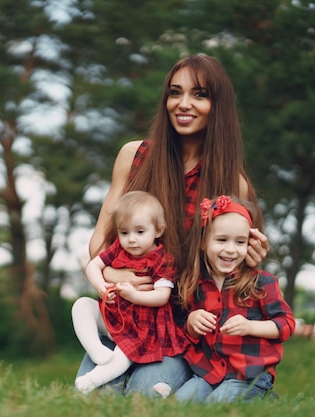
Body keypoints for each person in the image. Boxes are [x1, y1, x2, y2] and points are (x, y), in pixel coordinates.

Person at [76, 54, 271, 397]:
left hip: (178, 327)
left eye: (199, 94)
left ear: (218, 104)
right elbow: (100, 242)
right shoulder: (134, 157)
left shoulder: (231, 182)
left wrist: (250, 260)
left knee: (144, 396)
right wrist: (114, 276)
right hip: (125, 316)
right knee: (98, 397)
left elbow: (231, 272)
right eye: (174, 92)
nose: (183, 104)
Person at [174, 195, 295, 403]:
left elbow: (287, 325)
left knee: (215, 407)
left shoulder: (262, 283)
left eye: (240, 242)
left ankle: (261, 396)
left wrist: (250, 327)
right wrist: (192, 323)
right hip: (208, 372)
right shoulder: (195, 284)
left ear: (250, 244)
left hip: (248, 374)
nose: (230, 249)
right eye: (221, 240)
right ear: (203, 242)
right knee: (178, 405)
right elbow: (184, 331)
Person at [72, 191, 186, 394]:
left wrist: (134, 295)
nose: (131, 239)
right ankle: (96, 350)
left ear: (158, 231)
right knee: (82, 305)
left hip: (140, 327)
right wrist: (100, 285)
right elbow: (93, 266)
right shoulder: (118, 248)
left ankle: (91, 380)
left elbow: (162, 296)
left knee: (125, 354)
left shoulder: (162, 259)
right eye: (124, 233)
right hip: (113, 316)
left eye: (140, 232)